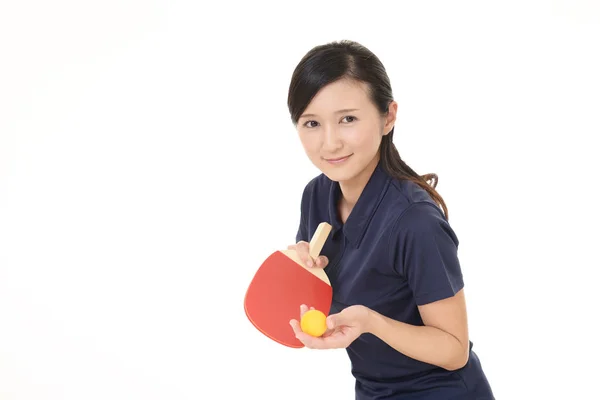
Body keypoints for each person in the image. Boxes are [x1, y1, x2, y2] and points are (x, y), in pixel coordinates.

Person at [285, 40, 495, 399]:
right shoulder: (317, 196)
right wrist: (299, 270)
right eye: (312, 123)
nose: (330, 142)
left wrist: (372, 323)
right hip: (372, 390)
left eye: (348, 119)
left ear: (388, 117)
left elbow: (454, 350)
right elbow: (313, 304)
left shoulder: (416, 222)